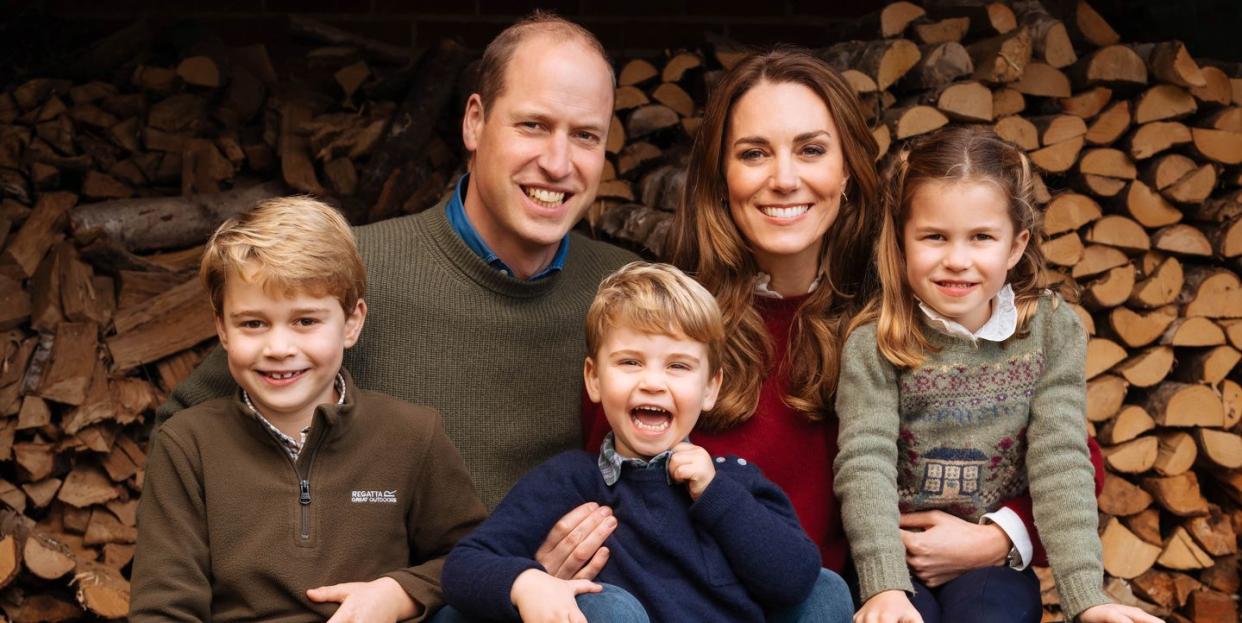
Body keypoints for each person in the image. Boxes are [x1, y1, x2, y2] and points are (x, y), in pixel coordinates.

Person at [585, 48, 1104, 589]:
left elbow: (1071, 460)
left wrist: (997, 537)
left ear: (849, 172)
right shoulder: (670, 319)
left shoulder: (910, 311)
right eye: (754, 153)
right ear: (721, 176)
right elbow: (605, 473)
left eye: (811, 150)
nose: (784, 179)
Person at [156, 12, 636, 580]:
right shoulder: (353, 273)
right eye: (532, 125)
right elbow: (191, 430)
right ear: (476, 123)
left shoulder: (625, 293)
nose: (557, 164)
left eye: (585, 136)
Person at [834, 126, 1163, 623]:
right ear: (901, 243)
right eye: (934, 237)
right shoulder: (877, 341)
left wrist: (1086, 596)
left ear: (1015, 246)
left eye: (982, 237)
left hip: (990, 564)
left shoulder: (1051, 331)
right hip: (894, 554)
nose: (957, 260)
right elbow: (865, 462)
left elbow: (1061, 461)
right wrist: (883, 583)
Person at [130, 197, 487, 622]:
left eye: (305, 321)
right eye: (253, 323)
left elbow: (472, 558)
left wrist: (399, 592)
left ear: (352, 322)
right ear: (222, 329)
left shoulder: (412, 436)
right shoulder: (188, 446)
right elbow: (163, 609)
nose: (279, 349)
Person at [439, 262, 851, 623]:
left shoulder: (734, 483)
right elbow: (464, 566)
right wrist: (527, 583)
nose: (652, 383)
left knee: (826, 587)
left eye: (678, 366)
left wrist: (717, 495)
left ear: (711, 388)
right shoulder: (571, 482)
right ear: (594, 379)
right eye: (630, 362)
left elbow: (795, 581)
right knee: (607, 607)